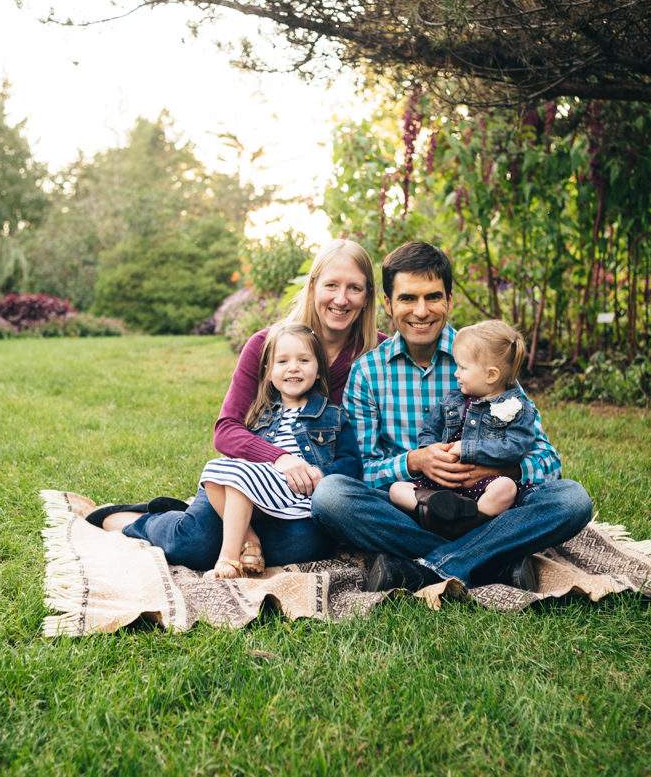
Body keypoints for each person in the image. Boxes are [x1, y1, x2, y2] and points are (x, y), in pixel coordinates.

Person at [310, 241, 593, 592]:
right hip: (414, 505)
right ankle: (494, 561)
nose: (421, 310)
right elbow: (360, 468)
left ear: (450, 300)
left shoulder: (484, 359)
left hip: (489, 502)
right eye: (408, 298)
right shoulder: (367, 372)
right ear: (387, 303)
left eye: (433, 297)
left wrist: (500, 470)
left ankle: (425, 568)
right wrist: (414, 462)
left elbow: (548, 460)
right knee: (331, 496)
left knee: (572, 499)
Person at [87, 239, 387, 571]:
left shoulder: (380, 356)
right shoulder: (265, 346)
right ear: (313, 285)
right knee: (194, 545)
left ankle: (243, 537)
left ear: (368, 295)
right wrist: (280, 458)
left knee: (307, 543)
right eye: (331, 284)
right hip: (249, 479)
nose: (341, 298)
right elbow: (226, 431)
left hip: (305, 498)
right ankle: (139, 520)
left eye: (354, 288)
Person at [197, 322, 361, 578]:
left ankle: (228, 558)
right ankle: (250, 541)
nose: (293, 367)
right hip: (261, 491)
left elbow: (351, 464)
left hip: (300, 495)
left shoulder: (332, 416)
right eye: (282, 361)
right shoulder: (261, 414)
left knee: (239, 475)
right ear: (268, 371)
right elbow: (241, 457)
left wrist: (318, 473)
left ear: (318, 370)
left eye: (304, 360)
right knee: (214, 471)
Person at [388, 320, 537, 535]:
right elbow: (430, 429)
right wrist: (432, 451)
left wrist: (468, 449)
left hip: (484, 485)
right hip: (441, 484)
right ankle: (436, 507)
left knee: (506, 489)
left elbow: (516, 448)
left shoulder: (517, 407)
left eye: (462, 368)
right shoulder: (453, 401)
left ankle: (466, 525)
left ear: (491, 375)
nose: (456, 373)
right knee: (396, 490)